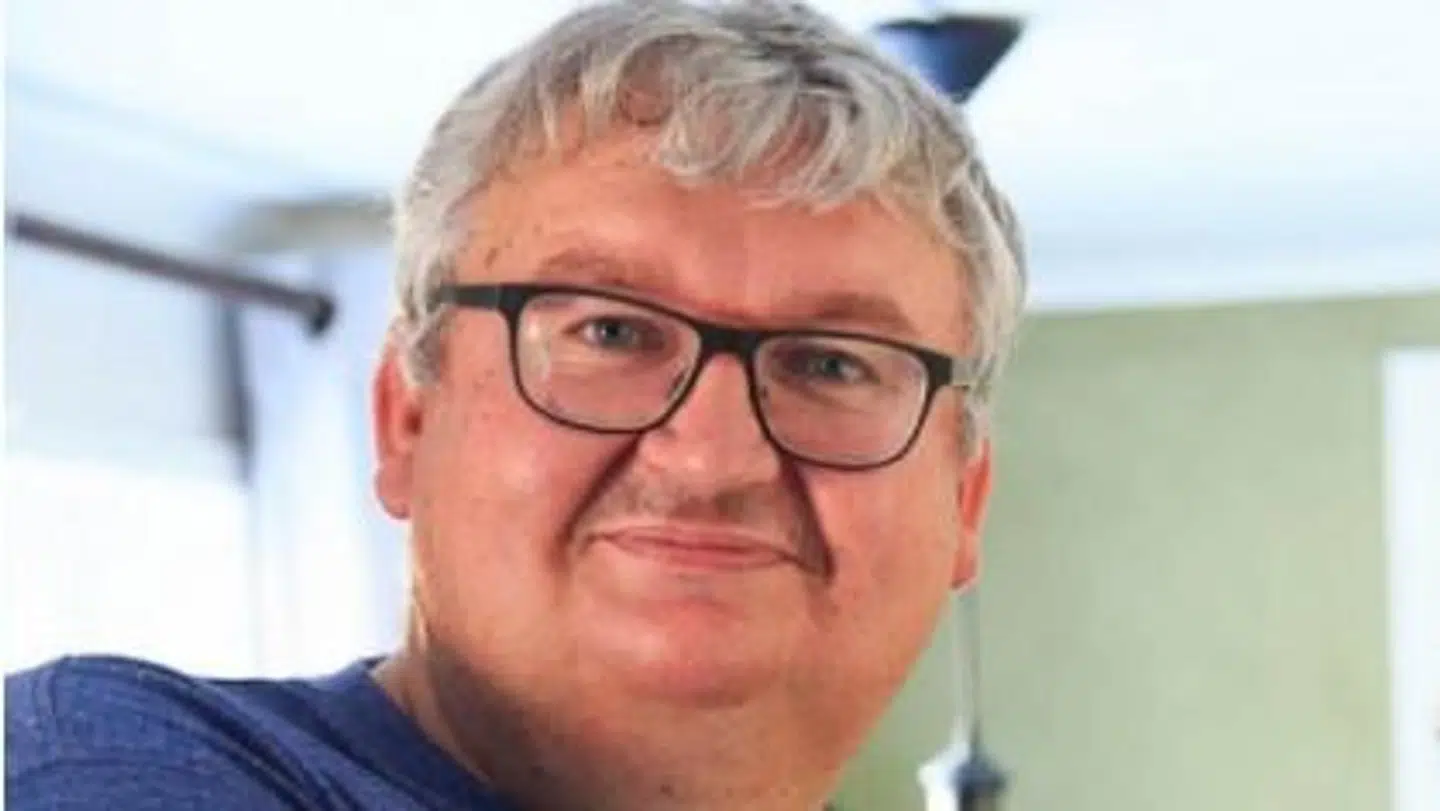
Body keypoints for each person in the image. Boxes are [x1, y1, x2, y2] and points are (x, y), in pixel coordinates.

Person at [5, 1, 1026, 809]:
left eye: (832, 365)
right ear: (407, 418)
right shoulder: (102, 758)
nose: (712, 458)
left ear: (965, 501)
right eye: (610, 333)